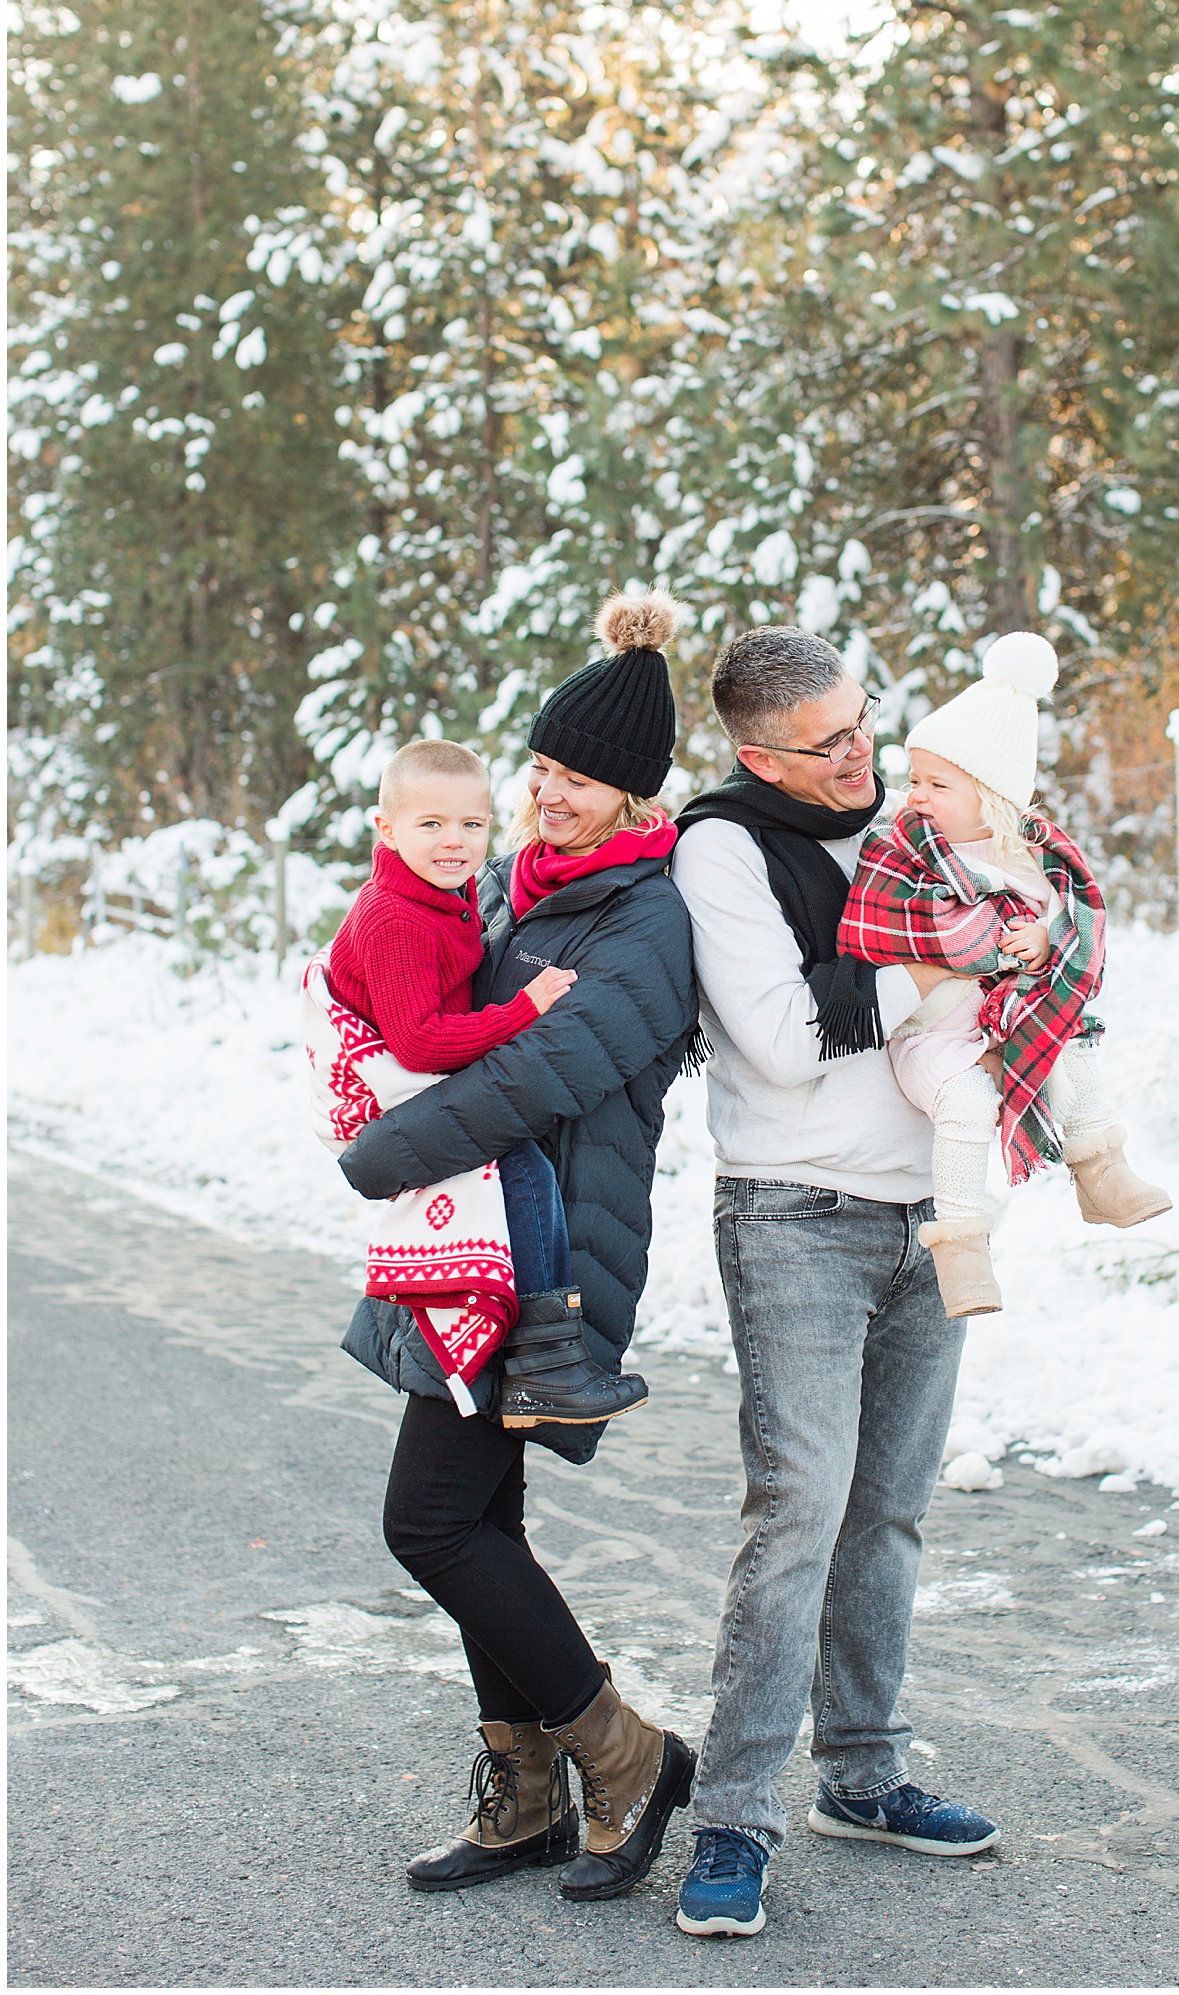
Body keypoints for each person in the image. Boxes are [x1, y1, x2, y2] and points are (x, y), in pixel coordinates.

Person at [338, 591, 699, 1902]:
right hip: (463, 1247)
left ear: (634, 797)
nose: (550, 796)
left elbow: (541, 1072)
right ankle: (522, 1794)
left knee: (427, 1521)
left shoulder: (645, 923)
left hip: (542, 1261)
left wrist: (382, 1150)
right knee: (479, 1512)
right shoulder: (508, 883)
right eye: (542, 769)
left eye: (581, 781)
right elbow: (422, 999)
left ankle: (623, 1753)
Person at [668, 627, 999, 1941]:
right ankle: (735, 1814)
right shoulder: (724, 849)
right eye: (832, 745)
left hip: (933, 1210)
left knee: (890, 1511)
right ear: (760, 754)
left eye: (868, 725)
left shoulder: (907, 820)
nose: (865, 756)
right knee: (799, 1508)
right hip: (794, 1212)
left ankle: (863, 1776)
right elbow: (790, 1037)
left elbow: (1010, 916)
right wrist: (943, 961)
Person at [837, 634, 1172, 1320]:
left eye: (938, 783)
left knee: (1070, 1040)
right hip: (929, 1033)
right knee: (965, 1106)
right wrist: (1002, 943)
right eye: (916, 776)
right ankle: (961, 1245)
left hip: (1007, 1015)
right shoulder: (903, 846)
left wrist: (1045, 936)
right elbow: (900, 926)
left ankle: (1099, 1165)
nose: (917, 794)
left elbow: (1073, 924)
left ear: (989, 795)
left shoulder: (1030, 855)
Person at [314, 734, 643, 1425]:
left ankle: (534, 1349)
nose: (454, 841)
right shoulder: (399, 915)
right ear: (386, 829)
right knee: (519, 1168)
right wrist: (522, 1009)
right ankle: (547, 1357)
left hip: (415, 1059)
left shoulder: (450, 891)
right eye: (430, 824)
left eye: (471, 823)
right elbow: (421, 1039)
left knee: (510, 1171)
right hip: (382, 1071)